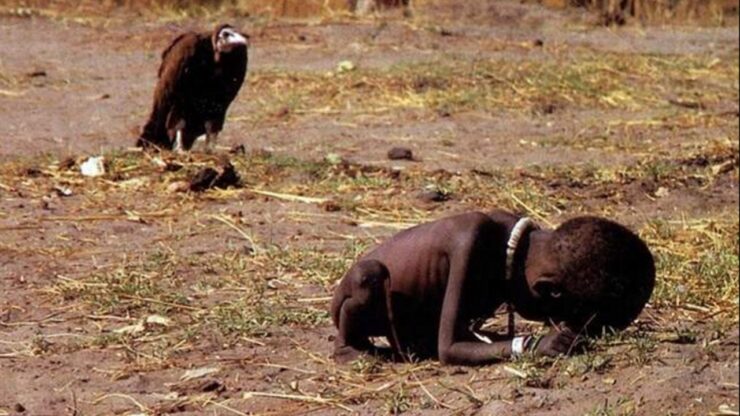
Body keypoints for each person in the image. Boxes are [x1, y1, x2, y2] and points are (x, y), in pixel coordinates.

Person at [330, 210, 655, 365]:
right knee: (365, 280)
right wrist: (526, 346)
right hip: (369, 303)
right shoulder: (473, 240)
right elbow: (449, 349)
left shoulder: (525, 249)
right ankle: (348, 345)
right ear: (547, 291)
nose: (553, 326)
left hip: (417, 320)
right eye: (555, 318)